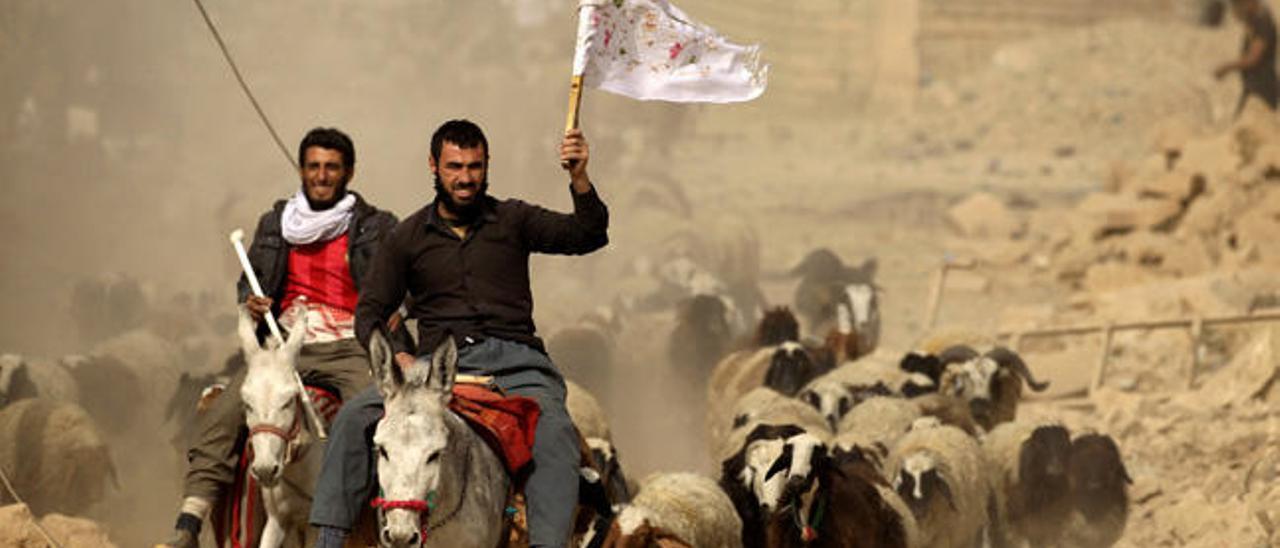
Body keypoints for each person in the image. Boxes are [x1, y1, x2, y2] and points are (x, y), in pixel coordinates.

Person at [308, 119, 608, 548]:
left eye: (474, 166)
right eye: (455, 166)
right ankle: (330, 541)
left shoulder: (514, 219)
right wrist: (398, 356)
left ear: (487, 167)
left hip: (517, 364)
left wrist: (579, 177)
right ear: (434, 165)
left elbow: (588, 234)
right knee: (354, 417)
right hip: (435, 370)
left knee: (555, 431)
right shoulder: (406, 237)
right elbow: (370, 312)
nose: (465, 177)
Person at [159, 127, 407, 548]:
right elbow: (248, 283)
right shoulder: (275, 224)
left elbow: (406, 281)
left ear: (349, 172)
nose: (322, 176)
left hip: (351, 344)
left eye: (332, 167)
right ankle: (189, 522)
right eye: (314, 166)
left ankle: (387, 523)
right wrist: (251, 302)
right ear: (301, 169)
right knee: (221, 414)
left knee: (387, 418)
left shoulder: (377, 226)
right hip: (284, 343)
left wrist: (396, 307)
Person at [1215, 0, 1279, 115]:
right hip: (1253, 86)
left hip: (1262, 89)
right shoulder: (1254, 21)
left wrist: (1227, 67)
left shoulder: (1263, 23)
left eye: (1239, 4)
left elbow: (1253, 58)